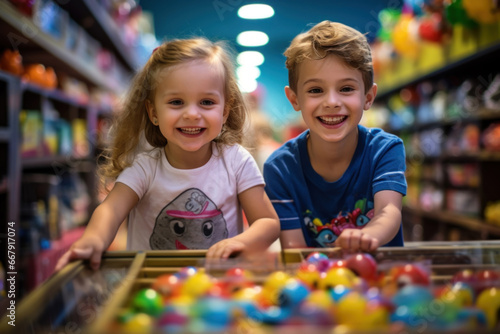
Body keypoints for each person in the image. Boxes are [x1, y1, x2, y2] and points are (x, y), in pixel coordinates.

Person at [56, 38, 280, 271]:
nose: (192, 114)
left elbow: (268, 222)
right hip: (152, 291)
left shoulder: (236, 161)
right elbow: (111, 209)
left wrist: (240, 242)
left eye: (206, 102)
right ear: (153, 113)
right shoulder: (145, 168)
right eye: (176, 102)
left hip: (219, 289)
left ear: (225, 111)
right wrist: (93, 239)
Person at [263, 21, 407, 252]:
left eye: (346, 88)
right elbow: (294, 249)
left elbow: (389, 212)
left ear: (368, 97)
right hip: (316, 284)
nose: (331, 102)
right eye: (316, 90)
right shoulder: (280, 168)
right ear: (294, 99)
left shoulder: (384, 149)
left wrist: (368, 235)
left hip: (382, 280)